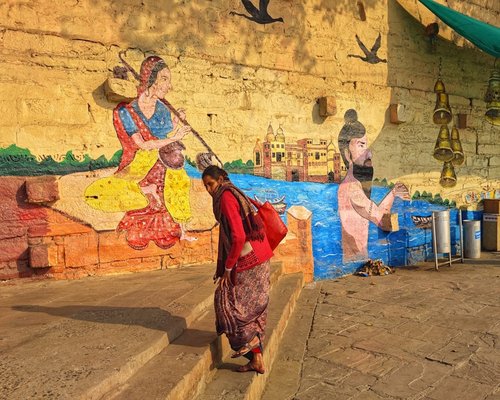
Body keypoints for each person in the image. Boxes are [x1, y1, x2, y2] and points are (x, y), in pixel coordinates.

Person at [85, 55, 195, 249]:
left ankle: (175, 230)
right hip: (138, 164)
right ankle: (145, 194)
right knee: (107, 192)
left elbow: (164, 136)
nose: (169, 86)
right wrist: (175, 137)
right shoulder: (126, 110)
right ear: (150, 79)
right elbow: (143, 144)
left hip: (161, 165)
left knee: (177, 185)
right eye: (164, 79)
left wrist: (177, 123)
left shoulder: (162, 109)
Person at [202, 165, 273, 374]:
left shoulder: (225, 198)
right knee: (248, 310)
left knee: (229, 305)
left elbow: (239, 236)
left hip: (249, 260)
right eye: (205, 185)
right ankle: (256, 358)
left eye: (211, 184)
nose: (208, 190)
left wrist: (228, 267)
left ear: (221, 179)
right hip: (259, 254)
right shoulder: (232, 192)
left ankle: (253, 354)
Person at [337, 109, 410, 262]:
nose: (369, 154)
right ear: (346, 153)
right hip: (354, 260)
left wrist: (393, 193)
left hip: (356, 257)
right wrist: (393, 194)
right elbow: (382, 220)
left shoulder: (353, 186)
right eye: (361, 145)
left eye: (367, 146)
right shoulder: (351, 189)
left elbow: (375, 212)